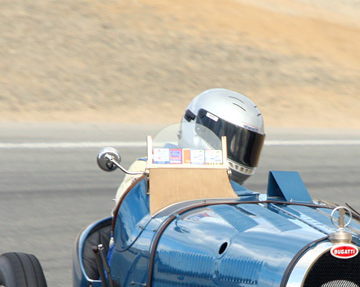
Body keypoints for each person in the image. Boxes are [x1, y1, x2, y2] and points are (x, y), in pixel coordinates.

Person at [114, 88, 266, 205]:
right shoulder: (147, 169)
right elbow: (128, 222)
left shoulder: (239, 192)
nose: (238, 149)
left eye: (245, 143)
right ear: (197, 128)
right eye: (229, 139)